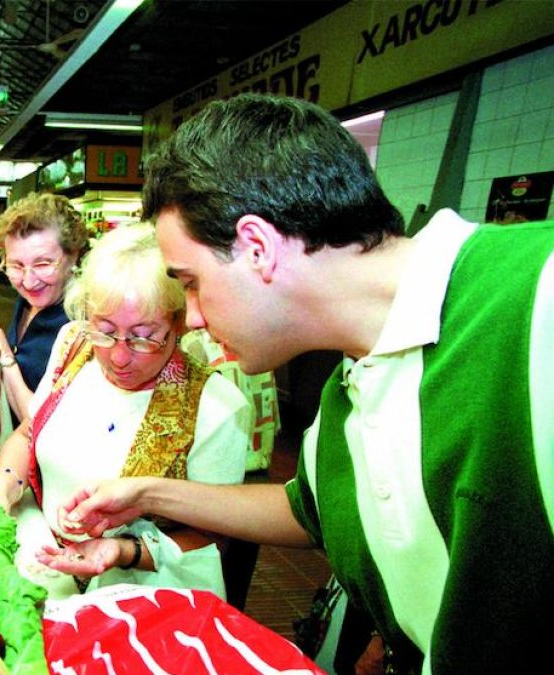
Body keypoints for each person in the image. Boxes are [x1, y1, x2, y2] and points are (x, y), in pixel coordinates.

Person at [58, 93, 553, 675]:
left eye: (191, 283)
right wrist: (147, 495)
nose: (190, 318)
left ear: (259, 248)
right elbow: (308, 511)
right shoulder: (348, 387)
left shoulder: (536, 300)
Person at [0, 223, 251, 600]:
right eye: (105, 330)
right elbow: (29, 432)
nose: (119, 355)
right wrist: (3, 490)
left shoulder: (215, 407)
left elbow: (212, 538)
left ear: (180, 324)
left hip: (149, 601)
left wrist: (124, 551)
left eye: (144, 336)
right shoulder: (73, 347)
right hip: (53, 575)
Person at [0, 193, 89, 424]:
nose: (29, 281)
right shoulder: (29, 302)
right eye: (16, 265)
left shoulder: (83, 325)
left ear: (73, 256)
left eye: (43, 264)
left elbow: (45, 427)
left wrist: (5, 358)